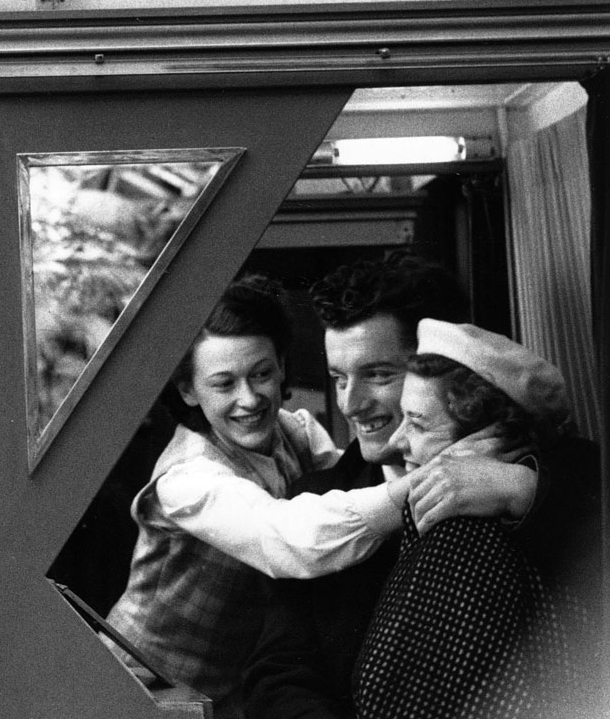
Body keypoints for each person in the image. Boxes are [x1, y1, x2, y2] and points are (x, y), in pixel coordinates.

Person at [243, 253, 599, 719]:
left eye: (377, 374)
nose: (351, 403)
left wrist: (522, 489)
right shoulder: (316, 497)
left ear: (435, 366)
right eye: (338, 378)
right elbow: (277, 678)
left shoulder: (557, 472)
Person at [104, 275, 396, 718]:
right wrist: (419, 488)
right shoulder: (187, 480)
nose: (250, 399)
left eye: (261, 374)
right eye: (223, 384)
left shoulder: (295, 433)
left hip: (227, 695)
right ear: (188, 390)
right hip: (138, 693)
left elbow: (354, 485)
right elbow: (294, 540)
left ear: (282, 366)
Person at [353, 320, 594, 718]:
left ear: (489, 439)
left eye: (417, 423)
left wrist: (519, 486)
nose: (397, 442)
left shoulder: (461, 536)